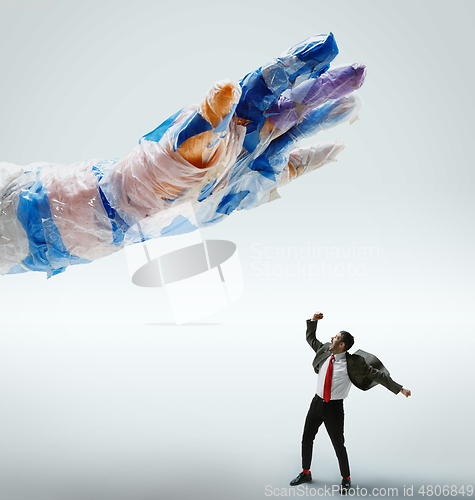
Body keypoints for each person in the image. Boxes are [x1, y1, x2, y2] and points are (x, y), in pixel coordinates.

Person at [290, 312, 411, 494]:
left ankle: (346, 478)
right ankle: (305, 472)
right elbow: (311, 339)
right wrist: (313, 321)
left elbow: (378, 375)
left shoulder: (354, 362)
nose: (332, 338)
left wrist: (400, 388)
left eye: (336, 337)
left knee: (338, 445)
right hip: (316, 404)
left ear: (342, 345)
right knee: (307, 439)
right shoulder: (324, 350)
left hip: (334, 409)